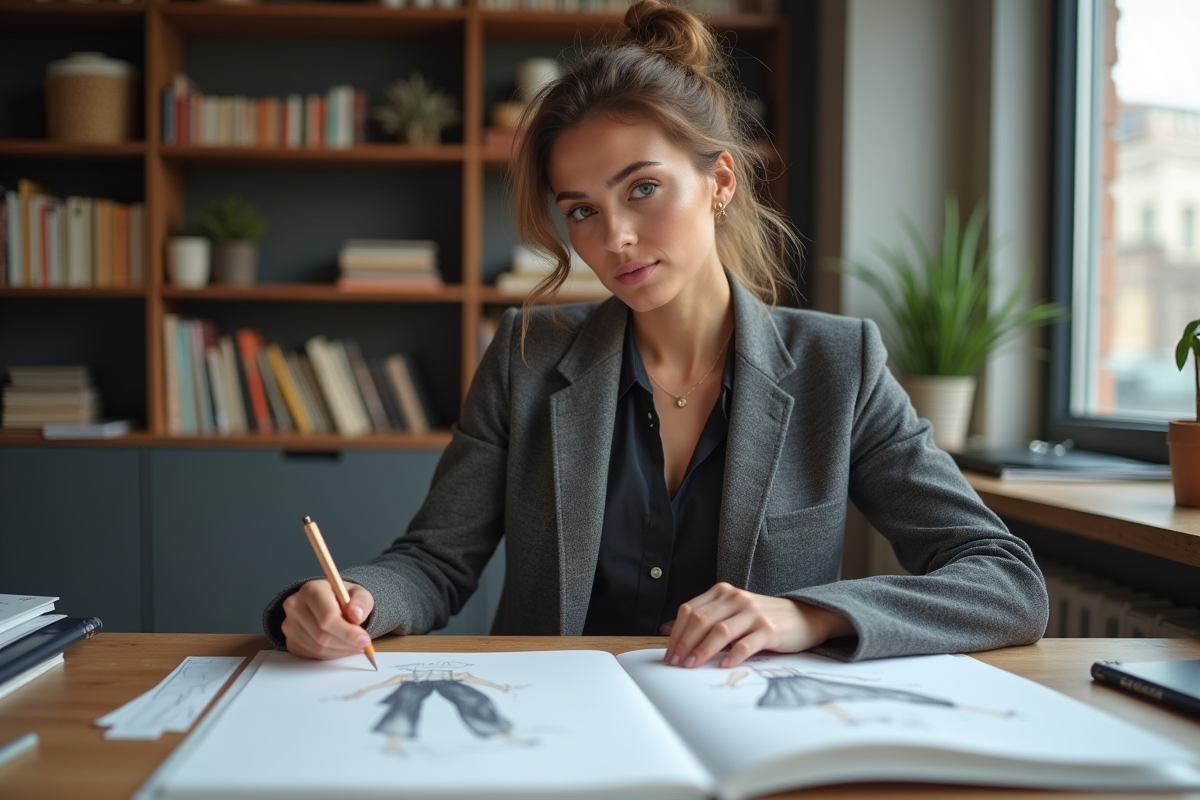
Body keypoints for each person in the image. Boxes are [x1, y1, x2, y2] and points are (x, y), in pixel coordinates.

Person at [263, 0, 1047, 668]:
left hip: (748, 733)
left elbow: (1005, 581)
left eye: (643, 189)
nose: (615, 239)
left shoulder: (837, 366)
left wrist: (806, 614)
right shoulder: (527, 356)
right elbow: (436, 560)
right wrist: (356, 599)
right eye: (581, 210)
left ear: (721, 181)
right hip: (556, 725)